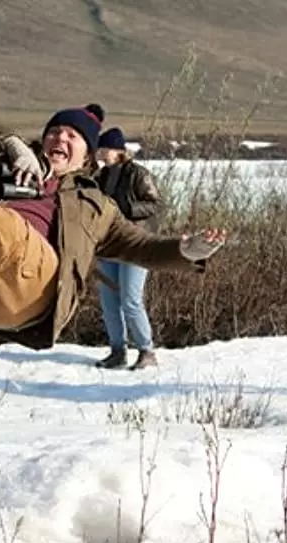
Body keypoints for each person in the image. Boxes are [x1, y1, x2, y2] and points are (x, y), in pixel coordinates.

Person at [0, 104, 228, 453]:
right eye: (54, 131)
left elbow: (143, 247)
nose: (60, 138)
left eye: (73, 135)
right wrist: (13, 145)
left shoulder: (96, 205)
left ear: (87, 155)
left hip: (36, 285)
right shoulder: (6, 164)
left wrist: (187, 251)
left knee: (7, 230)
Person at [93, 127, 167, 370]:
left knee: (131, 300)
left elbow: (156, 205)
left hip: (135, 244)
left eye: (104, 148)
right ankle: (117, 351)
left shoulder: (138, 174)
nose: (100, 152)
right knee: (109, 300)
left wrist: (126, 209)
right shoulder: (101, 176)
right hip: (108, 244)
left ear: (117, 150)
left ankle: (147, 351)